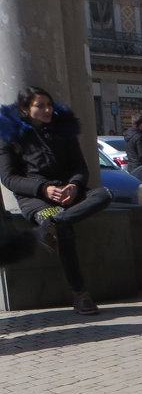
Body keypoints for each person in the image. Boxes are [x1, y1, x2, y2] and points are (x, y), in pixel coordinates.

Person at [0, 86, 112, 314]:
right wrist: (45, 189)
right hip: (36, 199)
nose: (47, 110)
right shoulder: (8, 136)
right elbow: (9, 178)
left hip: (69, 194)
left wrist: (74, 184)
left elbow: (80, 167)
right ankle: (80, 294)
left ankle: (56, 222)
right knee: (65, 231)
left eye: (49, 105)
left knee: (104, 195)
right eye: (40, 106)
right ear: (25, 108)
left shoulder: (64, 131)